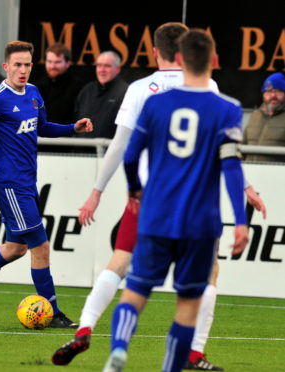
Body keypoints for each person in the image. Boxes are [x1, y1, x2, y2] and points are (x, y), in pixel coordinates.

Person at [52, 22, 266, 370]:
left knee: (126, 272)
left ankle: (96, 332)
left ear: (157, 52)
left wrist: (116, 190)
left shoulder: (145, 93)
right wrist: (244, 201)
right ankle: (190, 354)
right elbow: (229, 160)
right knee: (199, 286)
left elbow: (124, 148)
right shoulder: (218, 98)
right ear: (206, 59)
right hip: (199, 208)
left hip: (153, 201)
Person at [103, 29, 249, 372]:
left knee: (135, 291)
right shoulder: (228, 109)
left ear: (179, 59)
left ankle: (119, 349)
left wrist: (134, 188)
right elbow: (231, 168)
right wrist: (240, 221)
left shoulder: (155, 103)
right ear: (213, 61)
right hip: (200, 222)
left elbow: (128, 155)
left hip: (156, 214)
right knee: (187, 304)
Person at [0, 40, 93, 328]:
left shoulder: (34, 93)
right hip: (8, 183)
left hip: (26, 181)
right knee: (41, 246)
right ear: (6, 67)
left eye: (27, 64)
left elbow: (43, 127)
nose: (23, 70)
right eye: (17, 65)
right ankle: (52, 313)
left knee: (16, 248)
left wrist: (72, 128)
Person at [74, 51, 128, 140]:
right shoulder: (87, 90)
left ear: (118, 69)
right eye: (99, 65)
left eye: (107, 66)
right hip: (81, 151)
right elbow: (75, 119)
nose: (102, 70)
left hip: (108, 152)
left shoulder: (125, 92)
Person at [34, 42, 85, 124]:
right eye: (49, 61)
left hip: (66, 135)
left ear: (68, 63)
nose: (52, 66)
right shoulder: (37, 86)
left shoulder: (78, 87)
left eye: (57, 62)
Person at [243, 72, 285, 162]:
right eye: (269, 91)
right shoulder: (255, 115)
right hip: (250, 172)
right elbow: (242, 147)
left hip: (277, 174)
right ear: (263, 94)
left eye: (278, 91)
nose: (273, 95)